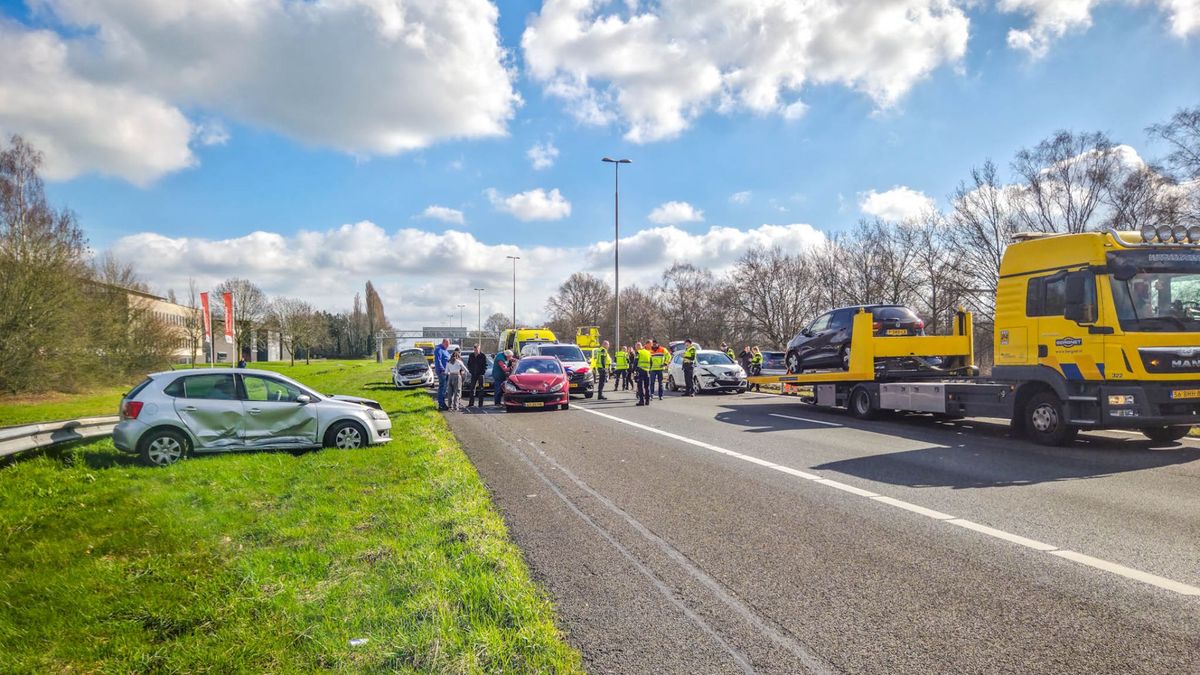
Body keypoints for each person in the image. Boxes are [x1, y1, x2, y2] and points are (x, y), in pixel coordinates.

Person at [433, 338, 450, 410]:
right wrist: (442, 369)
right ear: (443, 342)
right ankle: (441, 404)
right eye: (446, 344)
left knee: (444, 388)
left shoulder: (445, 350)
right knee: (442, 387)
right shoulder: (438, 349)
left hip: (447, 372)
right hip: (442, 372)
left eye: (448, 345)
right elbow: (438, 360)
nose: (447, 346)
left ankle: (442, 403)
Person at [635, 341, 652, 406]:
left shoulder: (638, 352)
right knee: (646, 387)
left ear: (638, 346)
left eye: (636, 346)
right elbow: (651, 362)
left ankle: (641, 401)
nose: (636, 348)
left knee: (640, 386)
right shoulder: (648, 352)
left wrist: (634, 370)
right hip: (647, 371)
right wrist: (649, 370)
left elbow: (635, 362)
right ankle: (647, 401)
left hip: (640, 370)